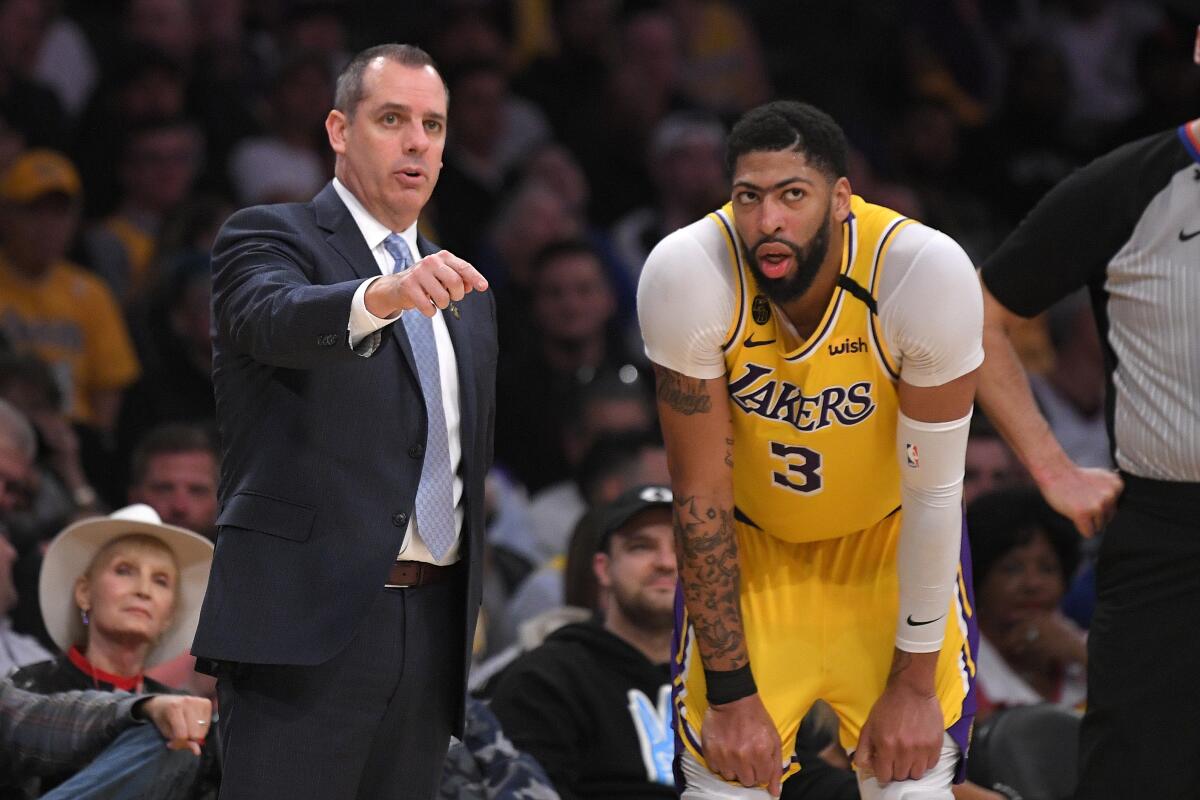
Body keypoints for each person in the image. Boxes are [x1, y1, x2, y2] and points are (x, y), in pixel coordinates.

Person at [638, 101, 983, 798]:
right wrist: (731, 695)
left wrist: (916, 685)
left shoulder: (921, 272)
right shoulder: (688, 273)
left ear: (843, 201)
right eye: (749, 198)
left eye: (793, 195)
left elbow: (935, 493)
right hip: (754, 559)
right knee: (724, 781)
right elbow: (700, 495)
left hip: (890, 553)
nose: (769, 221)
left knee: (912, 785)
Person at [190, 43, 496, 800]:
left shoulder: (469, 290)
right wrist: (384, 294)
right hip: (306, 627)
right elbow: (273, 318)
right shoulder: (270, 235)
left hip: (432, 628)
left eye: (433, 124)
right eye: (392, 118)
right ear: (337, 128)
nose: (417, 141)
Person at [974, 30, 1200, 800]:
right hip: (1171, 537)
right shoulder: (1131, 185)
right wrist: (1050, 467)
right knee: (1137, 778)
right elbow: (976, 312)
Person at [9, 502, 214, 794]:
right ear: (84, 593)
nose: (143, 590)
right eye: (124, 570)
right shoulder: (30, 689)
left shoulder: (185, 711)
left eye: (160, 580)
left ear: (169, 616)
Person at [490, 484, 679, 798]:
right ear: (603, 569)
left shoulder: (735, 682)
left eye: (683, 547)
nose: (666, 562)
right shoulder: (544, 680)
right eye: (641, 547)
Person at [966, 489, 1085, 719]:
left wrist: (1084, 657)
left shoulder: (1089, 651)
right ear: (979, 576)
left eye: (1047, 568)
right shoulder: (951, 666)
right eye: (1012, 569)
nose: (1032, 584)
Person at [0, 676, 212, 796]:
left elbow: (27, 719)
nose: (143, 594)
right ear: (83, 596)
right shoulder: (35, 676)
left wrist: (145, 707)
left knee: (172, 739)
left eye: (164, 593)